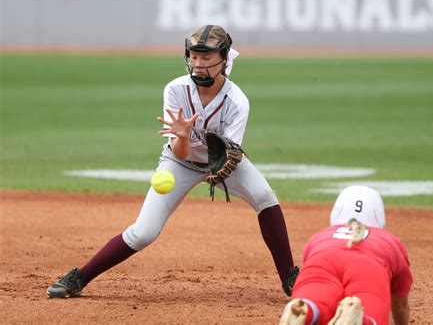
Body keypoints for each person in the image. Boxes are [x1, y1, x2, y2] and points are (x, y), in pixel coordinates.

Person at [47, 25, 298, 298]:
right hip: (179, 162)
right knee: (143, 233)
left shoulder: (237, 101)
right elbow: (180, 153)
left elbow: (230, 155)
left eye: (207, 57)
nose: (199, 64)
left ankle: (291, 278)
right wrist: (182, 136)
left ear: (224, 59)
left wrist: (219, 168)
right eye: (194, 57)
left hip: (223, 166)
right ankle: (79, 277)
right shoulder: (176, 90)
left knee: (264, 196)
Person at [279, 186, 413, 325]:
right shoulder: (390, 240)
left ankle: (310, 310)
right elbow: (400, 306)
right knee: (367, 314)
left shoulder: (318, 237)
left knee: (319, 302)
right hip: (367, 266)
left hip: (322, 259)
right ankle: (360, 320)